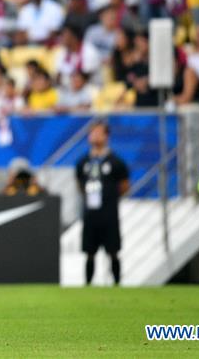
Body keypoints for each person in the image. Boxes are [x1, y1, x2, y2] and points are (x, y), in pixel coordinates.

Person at [76, 121, 129, 285]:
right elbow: (79, 184)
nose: (94, 136)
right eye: (92, 133)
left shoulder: (116, 162)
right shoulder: (83, 162)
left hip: (109, 214)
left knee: (113, 250)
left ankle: (117, 283)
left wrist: (109, 197)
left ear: (106, 136)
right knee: (89, 251)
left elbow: (124, 186)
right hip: (91, 214)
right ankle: (87, 284)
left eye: (98, 133)